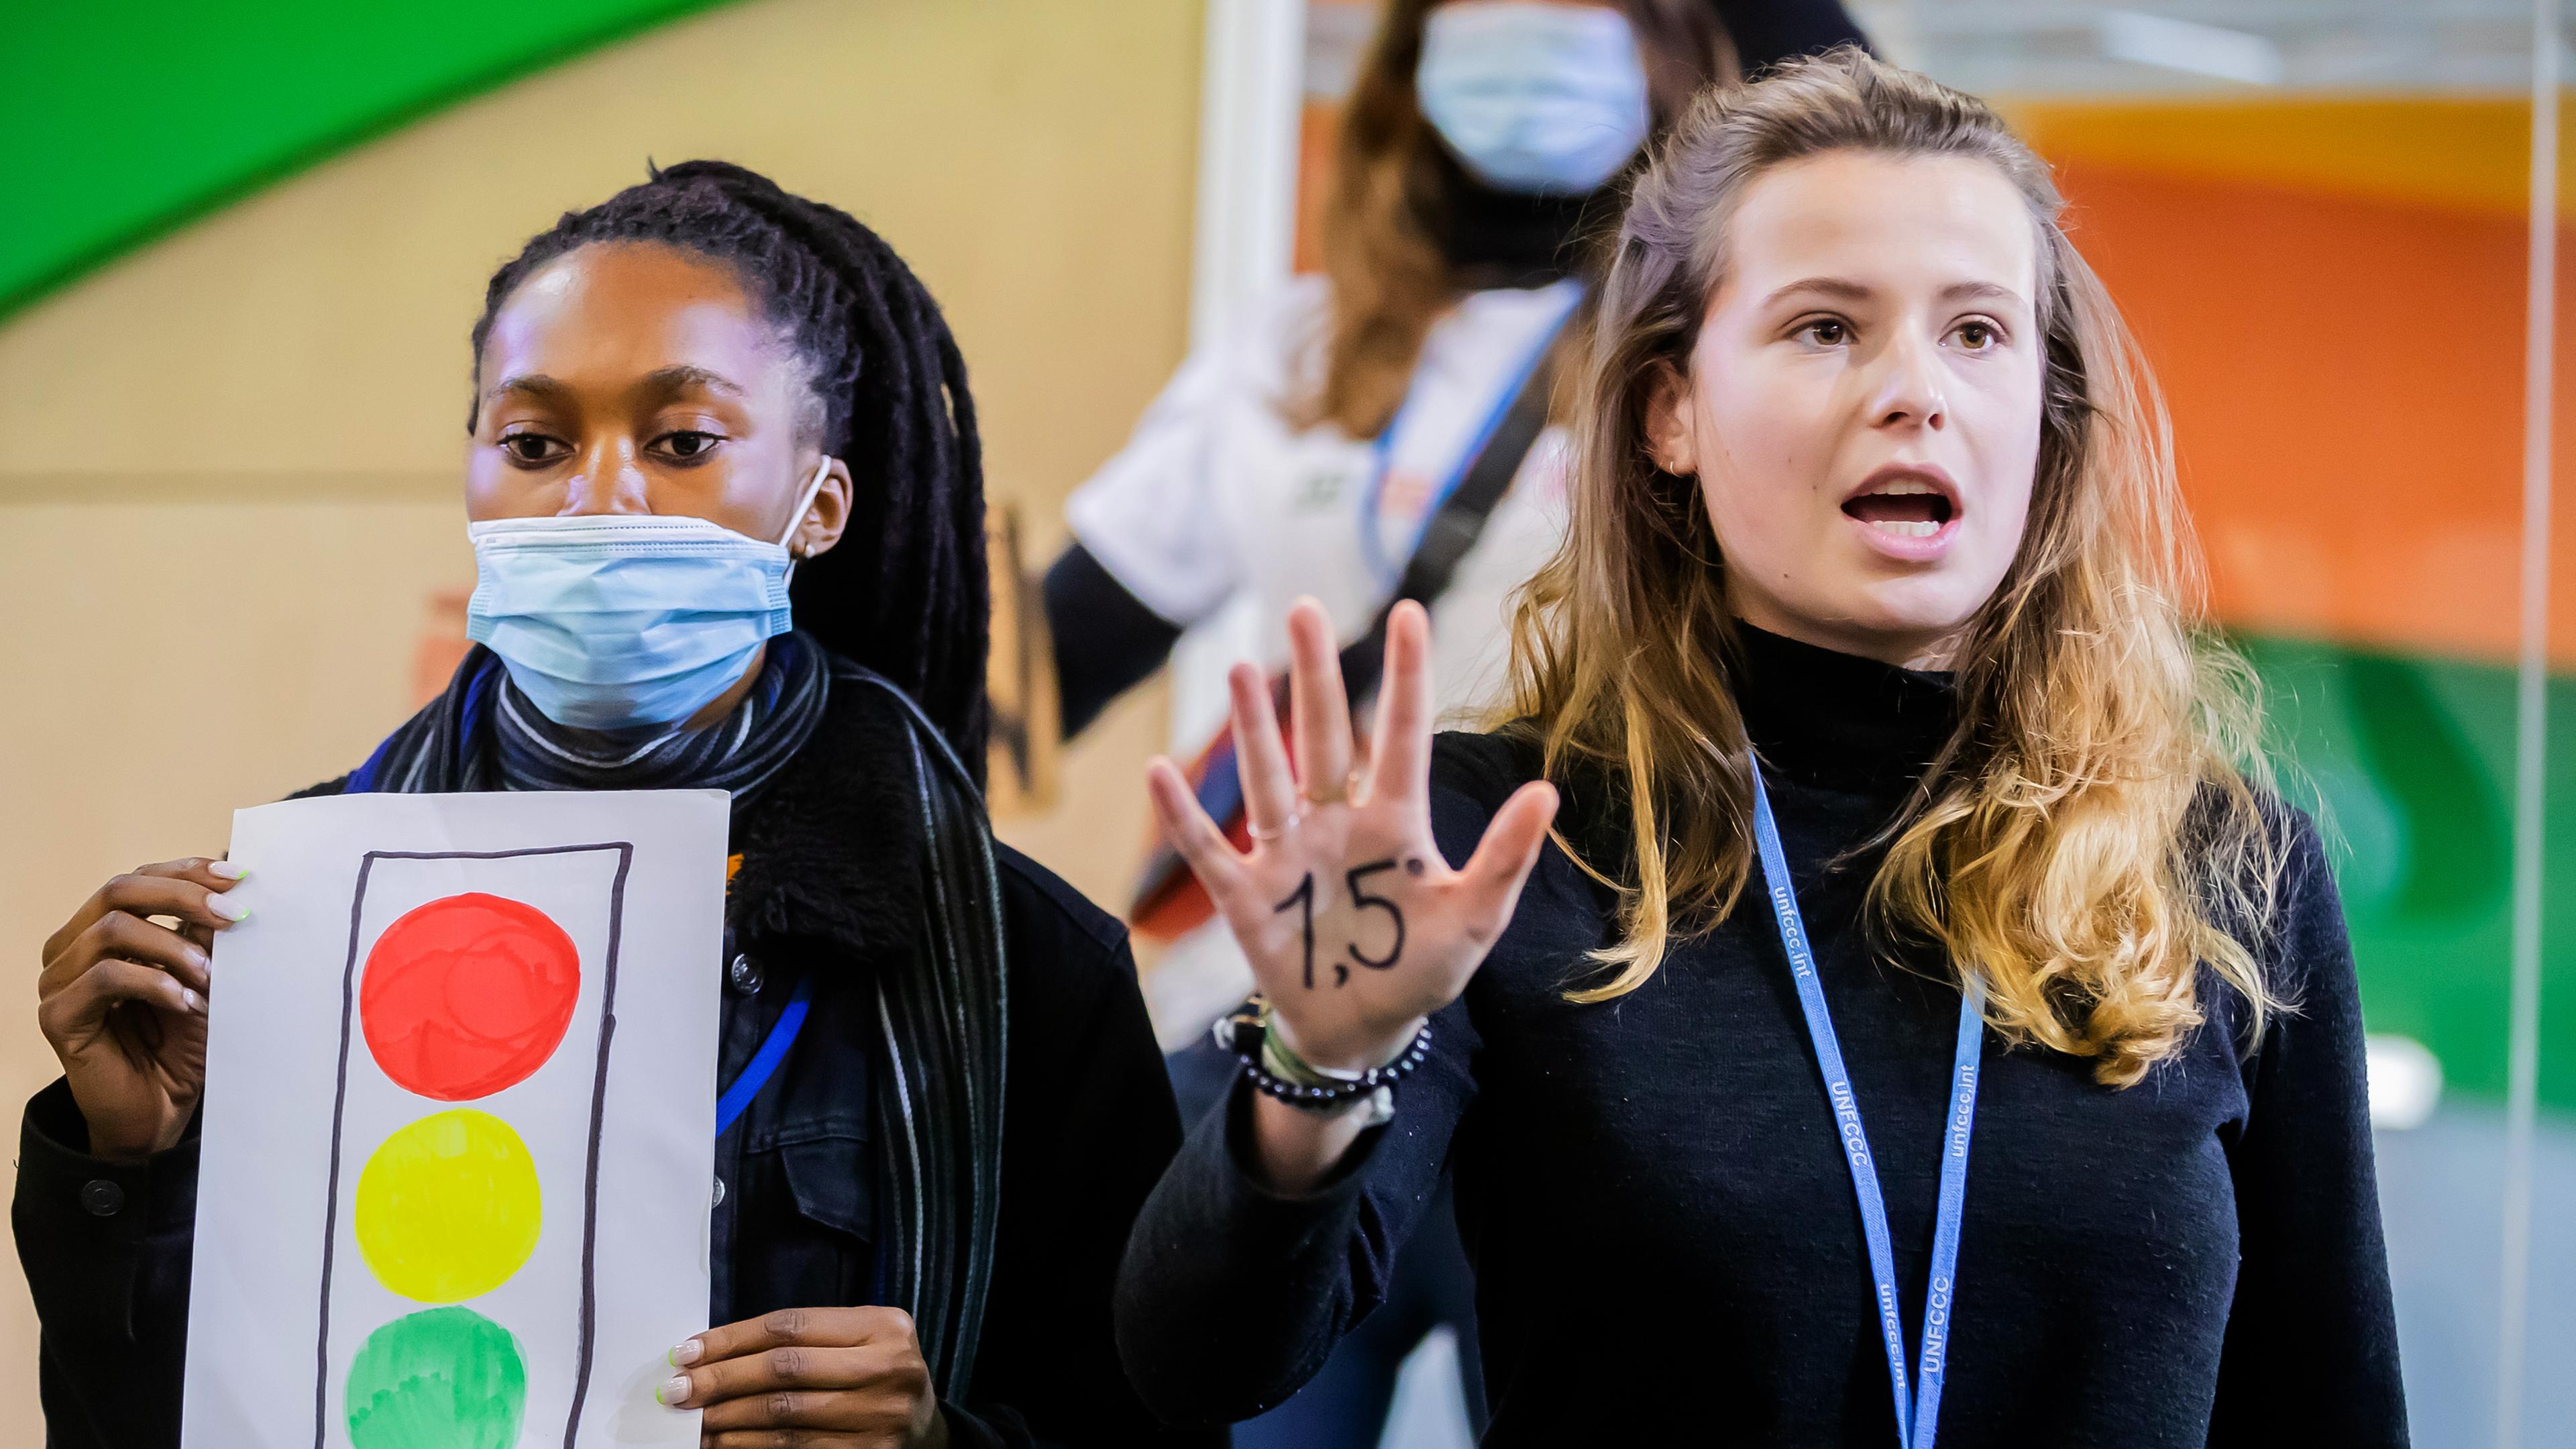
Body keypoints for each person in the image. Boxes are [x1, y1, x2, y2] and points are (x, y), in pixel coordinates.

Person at [1114, 50, 2407, 1447]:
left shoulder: (2226, 868)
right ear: (1670, 411)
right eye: (1826, 328)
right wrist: (1317, 1068)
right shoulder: (1501, 844)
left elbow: (2331, 1412)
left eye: (1978, 332)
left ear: (2044, 406)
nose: (1916, 390)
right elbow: (1201, 1363)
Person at [17, 162, 1214, 1449]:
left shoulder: (1019, 965)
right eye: (534, 445)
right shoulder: (290, 922)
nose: (597, 496)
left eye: (681, 443)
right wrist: (126, 1166)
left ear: (819, 506)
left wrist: (943, 1443)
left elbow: (1162, 1427)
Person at [1046, 3, 1862, 1442]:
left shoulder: (1714, 357)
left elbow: (1870, 117)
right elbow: (1046, 656)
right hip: (1297, 998)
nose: (1524, 30)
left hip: (1605, 1020)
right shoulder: (1299, 353)